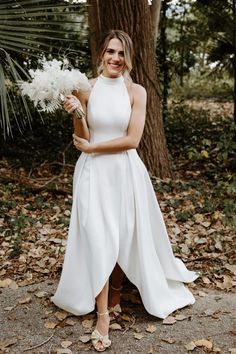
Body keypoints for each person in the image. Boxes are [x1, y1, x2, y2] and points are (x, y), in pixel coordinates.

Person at [51, 30, 198, 352]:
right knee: (99, 235)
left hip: (125, 170)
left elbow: (133, 140)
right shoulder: (85, 87)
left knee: (124, 234)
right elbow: (82, 139)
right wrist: (77, 113)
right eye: (110, 52)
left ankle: (117, 288)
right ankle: (102, 314)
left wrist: (93, 148)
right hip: (92, 173)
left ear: (128, 58)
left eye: (121, 53)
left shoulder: (137, 92)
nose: (115, 59)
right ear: (101, 53)